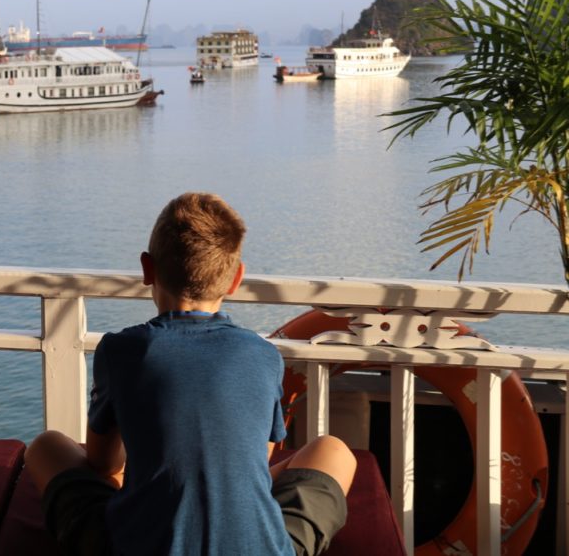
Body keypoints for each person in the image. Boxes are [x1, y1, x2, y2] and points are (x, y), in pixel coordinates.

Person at [25, 192, 356, 556]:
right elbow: (259, 461)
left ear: (148, 269)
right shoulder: (262, 355)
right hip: (259, 547)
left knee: (46, 447)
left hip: (134, 545)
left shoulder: (122, 350)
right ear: (235, 279)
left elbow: (104, 464)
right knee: (333, 450)